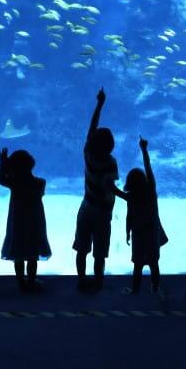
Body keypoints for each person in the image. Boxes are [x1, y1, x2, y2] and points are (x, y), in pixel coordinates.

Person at [72, 87, 123, 293]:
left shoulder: (88, 153)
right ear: (111, 145)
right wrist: (129, 197)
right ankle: (98, 283)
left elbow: (91, 130)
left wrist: (99, 104)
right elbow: (110, 186)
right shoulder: (110, 162)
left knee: (82, 248)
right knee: (100, 252)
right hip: (102, 212)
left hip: (86, 208)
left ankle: (82, 280)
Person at [0, 147, 49, 292]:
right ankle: (31, 282)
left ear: (13, 168)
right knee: (33, 254)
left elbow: (1, 179)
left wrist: (3, 164)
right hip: (35, 223)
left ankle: (21, 283)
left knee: (18, 254)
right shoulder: (40, 183)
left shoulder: (14, 183)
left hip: (17, 223)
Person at [122, 137, 168, 294]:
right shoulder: (150, 192)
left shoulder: (131, 197)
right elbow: (148, 168)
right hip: (152, 233)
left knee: (138, 265)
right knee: (154, 263)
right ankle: (155, 287)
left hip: (139, 234)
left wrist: (127, 232)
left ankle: (135, 290)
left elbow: (129, 216)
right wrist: (144, 149)